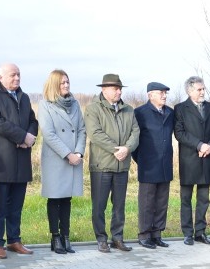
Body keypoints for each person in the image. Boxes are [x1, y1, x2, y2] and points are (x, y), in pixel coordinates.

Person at [0, 63, 38, 259]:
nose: (17, 78)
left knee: (17, 204)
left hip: (22, 158)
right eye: (13, 75)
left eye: (19, 75)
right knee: (0, 204)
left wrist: (30, 136)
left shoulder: (24, 97)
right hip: (3, 159)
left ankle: (14, 239)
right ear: (0, 76)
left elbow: (33, 120)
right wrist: (22, 137)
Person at [85, 74, 139, 253]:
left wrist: (127, 148)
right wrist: (117, 149)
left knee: (119, 205)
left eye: (120, 88)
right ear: (104, 89)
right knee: (99, 205)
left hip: (122, 166)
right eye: (115, 88)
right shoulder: (93, 109)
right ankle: (101, 238)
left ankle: (118, 237)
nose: (119, 91)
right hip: (102, 165)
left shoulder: (128, 110)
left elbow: (135, 132)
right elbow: (95, 134)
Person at [38, 70, 86, 254]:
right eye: (62, 83)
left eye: (67, 82)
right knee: (55, 197)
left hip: (74, 157)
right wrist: (68, 154)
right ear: (54, 85)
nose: (66, 85)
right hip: (56, 158)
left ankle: (66, 236)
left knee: (67, 198)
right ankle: (55, 237)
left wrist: (79, 152)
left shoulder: (75, 104)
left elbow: (82, 129)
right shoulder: (45, 105)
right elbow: (48, 134)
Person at [174, 76, 210, 246]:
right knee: (186, 199)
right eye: (199, 89)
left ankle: (200, 232)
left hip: (208, 159)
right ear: (190, 91)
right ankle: (188, 233)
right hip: (189, 159)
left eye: (203, 89)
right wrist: (199, 145)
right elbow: (179, 133)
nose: (203, 92)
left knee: (204, 199)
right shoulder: (180, 108)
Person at [133, 82, 175, 249]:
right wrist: (142, 159)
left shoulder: (170, 113)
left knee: (161, 202)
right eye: (161, 93)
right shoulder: (140, 113)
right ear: (150, 95)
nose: (164, 96)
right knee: (147, 201)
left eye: (165, 93)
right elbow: (134, 140)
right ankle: (144, 234)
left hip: (165, 163)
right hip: (148, 164)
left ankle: (157, 234)